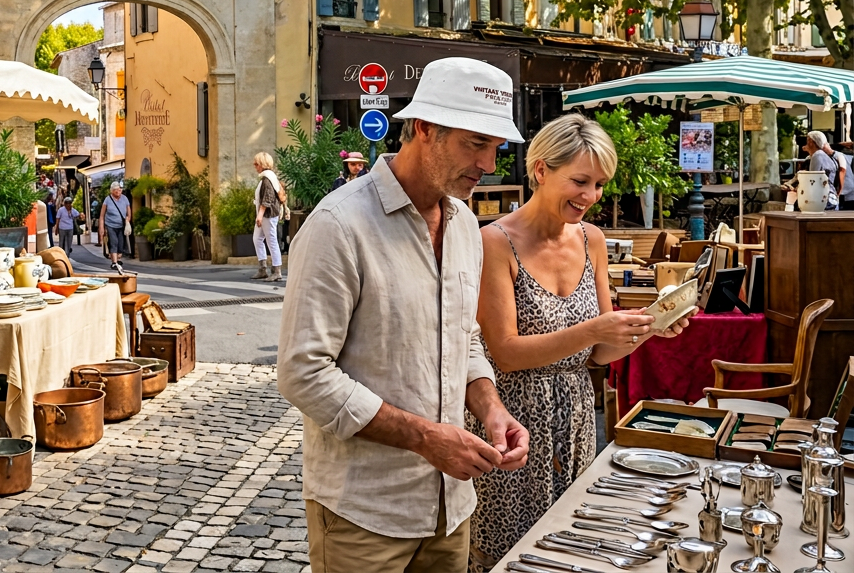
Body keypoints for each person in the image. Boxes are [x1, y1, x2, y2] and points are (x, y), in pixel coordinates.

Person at [279, 57, 530, 573]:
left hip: (451, 508)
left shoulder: (463, 225)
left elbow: (465, 339)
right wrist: (425, 438)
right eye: (473, 143)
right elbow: (303, 373)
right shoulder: (338, 225)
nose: (487, 162)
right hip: (365, 512)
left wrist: (491, 409)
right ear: (423, 129)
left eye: (496, 147)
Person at [469, 114, 692, 569]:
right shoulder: (494, 241)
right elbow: (506, 354)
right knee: (506, 554)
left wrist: (648, 326)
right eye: (580, 181)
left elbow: (598, 353)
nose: (590, 197)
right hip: (513, 423)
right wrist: (593, 329)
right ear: (541, 171)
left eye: (600, 184)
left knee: (573, 550)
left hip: (576, 417)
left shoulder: (592, 238)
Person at [252, 152, 285, 282]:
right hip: (266, 214)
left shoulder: (267, 179)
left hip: (268, 215)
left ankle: (276, 270)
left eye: (256, 164)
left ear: (262, 164)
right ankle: (263, 268)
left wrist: (260, 215)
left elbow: (268, 199)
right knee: (257, 239)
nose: (255, 166)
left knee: (271, 241)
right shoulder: (268, 177)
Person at [99, 181, 131, 271]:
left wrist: (127, 221)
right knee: (114, 242)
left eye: (119, 189)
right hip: (110, 225)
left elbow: (129, 212)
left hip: (121, 225)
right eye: (116, 190)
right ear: (111, 191)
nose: (118, 191)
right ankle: (114, 262)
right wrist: (101, 227)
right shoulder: (107, 200)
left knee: (121, 244)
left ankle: (118, 259)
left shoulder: (125, 199)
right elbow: (102, 215)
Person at [804, 131, 839, 210]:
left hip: (823, 197)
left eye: (807, 140)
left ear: (811, 142)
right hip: (831, 196)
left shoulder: (817, 155)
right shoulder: (824, 155)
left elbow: (813, 178)